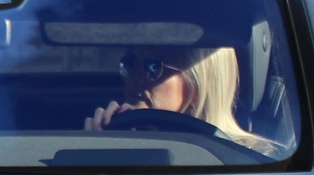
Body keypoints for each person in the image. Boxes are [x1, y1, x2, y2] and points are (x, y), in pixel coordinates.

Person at [85, 43, 263, 149]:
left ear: (198, 85)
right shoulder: (123, 142)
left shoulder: (257, 160)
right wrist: (97, 147)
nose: (135, 78)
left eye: (153, 67)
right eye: (130, 64)